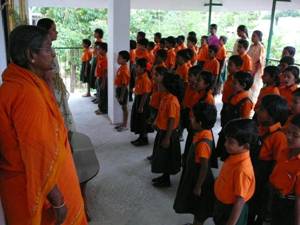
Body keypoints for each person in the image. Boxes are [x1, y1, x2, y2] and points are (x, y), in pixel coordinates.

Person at [0, 25, 87, 225]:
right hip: (39, 190)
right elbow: (37, 152)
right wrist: (57, 200)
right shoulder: (26, 94)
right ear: (31, 55)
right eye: (48, 49)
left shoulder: (25, 83)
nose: (53, 54)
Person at [174, 102, 217, 225]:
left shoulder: (203, 143)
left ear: (200, 123)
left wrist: (198, 186)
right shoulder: (202, 132)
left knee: (200, 208)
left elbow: (204, 167)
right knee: (195, 205)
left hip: (200, 179)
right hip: (195, 175)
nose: (190, 119)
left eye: (193, 118)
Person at [249, 95, 289, 225]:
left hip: (264, 179)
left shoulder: (278, 136)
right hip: (253, 172)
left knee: (258, 209)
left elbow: (277, 163)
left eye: (262, 110)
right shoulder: (260, 128)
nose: (257, 111)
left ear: (272, 115)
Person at [213, 119, 257, 225]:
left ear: (246, 146)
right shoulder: (234, 155)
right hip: (224, 205)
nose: (225, 144)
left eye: (231, 142)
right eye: (226, 140)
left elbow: (239, 201)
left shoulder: (242, 170)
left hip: (232, 210)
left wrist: (231, 223)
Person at [37, 18, 76, 133]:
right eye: (53, 29)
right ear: (46, 32)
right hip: (51, 87)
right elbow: (47, 74)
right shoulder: (43, 52)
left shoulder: (49, 49)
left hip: (56, 85)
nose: (56, 32)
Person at [151, 72, 184, 187]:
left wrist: (167, 138)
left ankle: (166, 180)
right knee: (162, 156)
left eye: (161, 84)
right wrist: (156, 121)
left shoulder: (172, 101)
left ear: (167, 86)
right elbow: (161, 112)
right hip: (162, 131)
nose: (158, 85)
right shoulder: (165, 97)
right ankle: (164, 176)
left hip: (168, 133)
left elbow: (171, 120)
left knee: (167, 157)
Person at [269, 114, 300, 225]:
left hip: (290, 207)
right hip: (276, 199)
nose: (288, 136)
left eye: (295, 135)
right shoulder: (285, 151)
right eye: (288, 132)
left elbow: (299, 200)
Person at [217, 72, 254, 161]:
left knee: (229, 154)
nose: (231, 84)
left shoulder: (246, 102)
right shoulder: (234, 95)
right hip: (227, 126)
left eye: (234, 83)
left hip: (234, 131)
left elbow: (244, 121)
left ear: (243, 85)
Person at [130, 58, 153, 146]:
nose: (135, 68)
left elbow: (146, 94)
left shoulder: (145, 79)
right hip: (138, 99)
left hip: (143, 101)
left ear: (143, 68)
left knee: (143, 120)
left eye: (137, 67)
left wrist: (141, 106)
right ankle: (140, 137)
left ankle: (144, 138)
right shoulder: (139, 77)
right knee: (138, 119)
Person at [114, 51, 130, 132]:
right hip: (119, 89)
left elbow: (124, 85)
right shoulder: (121, 67)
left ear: (125, 60)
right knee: (123, 107)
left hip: (122, 91)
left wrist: (121, 96)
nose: (117, 59)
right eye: (118, 57)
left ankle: (125, 125)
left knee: (124, 107)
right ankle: (123, 123)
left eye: (120, 58)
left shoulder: (124, 70)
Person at [248, 30, 266, 103]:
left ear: (259, 37)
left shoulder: (261, 47)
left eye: (254, 36)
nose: (252, 37)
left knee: (253, 88)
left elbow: (260, 62)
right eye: (252, 35)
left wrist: (254, 73)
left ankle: (250, 105)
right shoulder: (251, 46)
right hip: (248, 69)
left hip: (255, 71)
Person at [94, 42, 108, 115]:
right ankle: (100, 108)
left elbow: (105, 72)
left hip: (103, 79)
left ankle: (103, 109)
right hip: (99, 78)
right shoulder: (101, 58)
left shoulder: (105, 59)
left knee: (103, 95)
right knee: (100, 93)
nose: (98, 50)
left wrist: (103, 82)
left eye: (100, 49)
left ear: (104, 50)